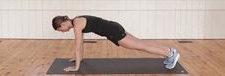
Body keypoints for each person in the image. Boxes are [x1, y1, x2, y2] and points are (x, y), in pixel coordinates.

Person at [52, 15, 180, 72]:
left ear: (62, 24)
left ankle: (169, 54)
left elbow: (78, 45)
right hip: (113, 27)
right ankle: (169, 51)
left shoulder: (77, 24)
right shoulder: (77, 19)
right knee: (140, 43)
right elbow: (81, 44)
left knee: (140, 46)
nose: (62, 32)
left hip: (113, 31)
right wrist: (77, 58)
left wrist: (76, 67)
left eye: (60, 30)